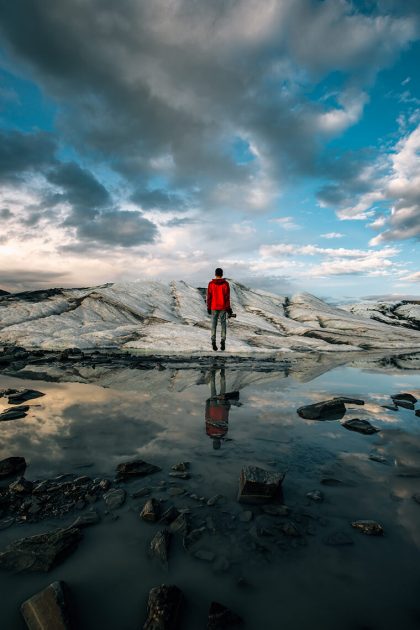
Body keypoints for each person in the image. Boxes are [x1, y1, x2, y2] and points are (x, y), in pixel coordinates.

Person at [207, 267, 232, 351]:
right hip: (223, 307)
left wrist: (208, 307)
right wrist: (228, 308)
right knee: (223, 324)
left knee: (214, 325)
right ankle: (223, 341)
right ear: (222, 274)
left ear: (215, 274)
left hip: (214, 307)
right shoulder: (225, 284)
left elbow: (209, 297)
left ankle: (213, 341)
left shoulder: (211, 284)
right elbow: (227, 298)